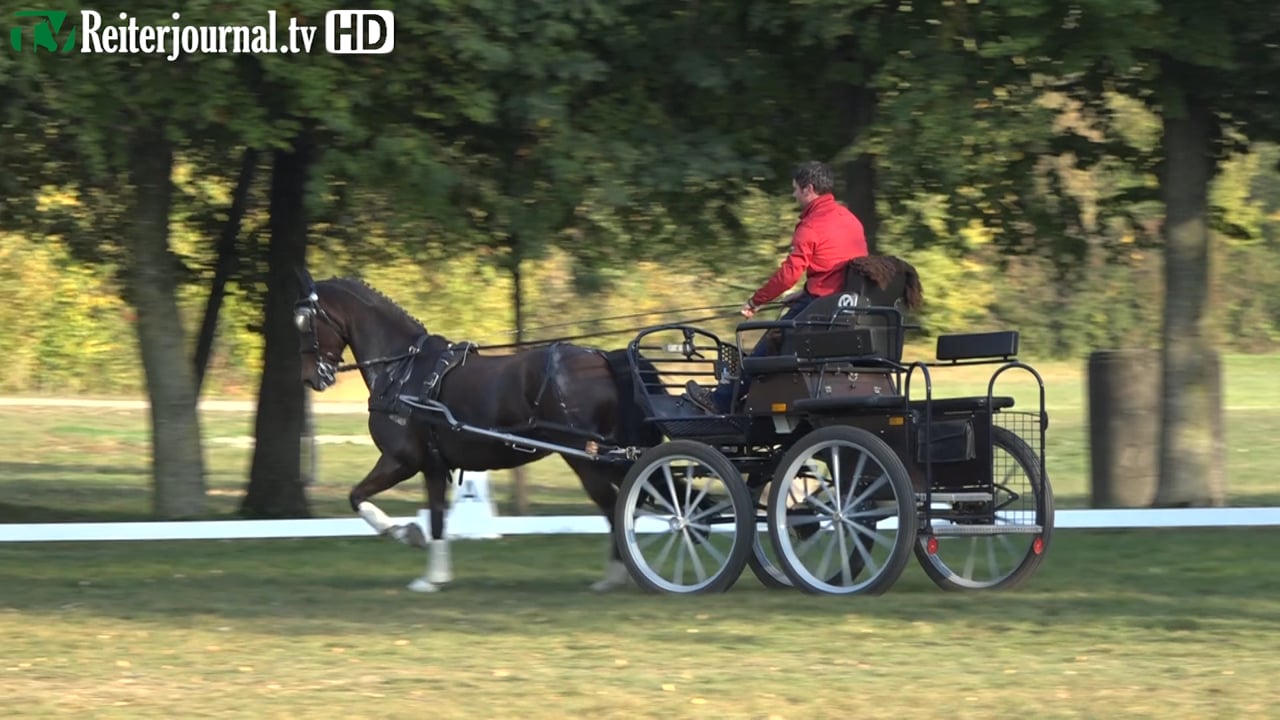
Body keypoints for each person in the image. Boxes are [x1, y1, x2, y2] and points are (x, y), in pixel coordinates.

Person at [684, 161, 868, 414]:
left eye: (795, 189)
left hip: (820, 310)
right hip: (845, 307)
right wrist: (804, 291)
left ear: (809, 189)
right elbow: (839, 267)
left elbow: (788, 275)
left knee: (765, 347)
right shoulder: (851, 220)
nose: (793, 195)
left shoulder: (811, 226)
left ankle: (721, 401)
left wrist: (755, 301)